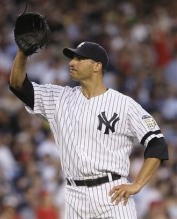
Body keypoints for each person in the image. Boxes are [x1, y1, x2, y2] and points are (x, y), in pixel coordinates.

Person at [9, 41, 169, 219]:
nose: (72, 62)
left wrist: (138, 184)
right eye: (72, 58)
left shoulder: (124, 104)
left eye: (79, 58)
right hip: (74, 197)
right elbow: (18, 85)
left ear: (97, 66)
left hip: (112, 194)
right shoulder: (59, 98)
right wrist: (22, 52)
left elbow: (157, 143)